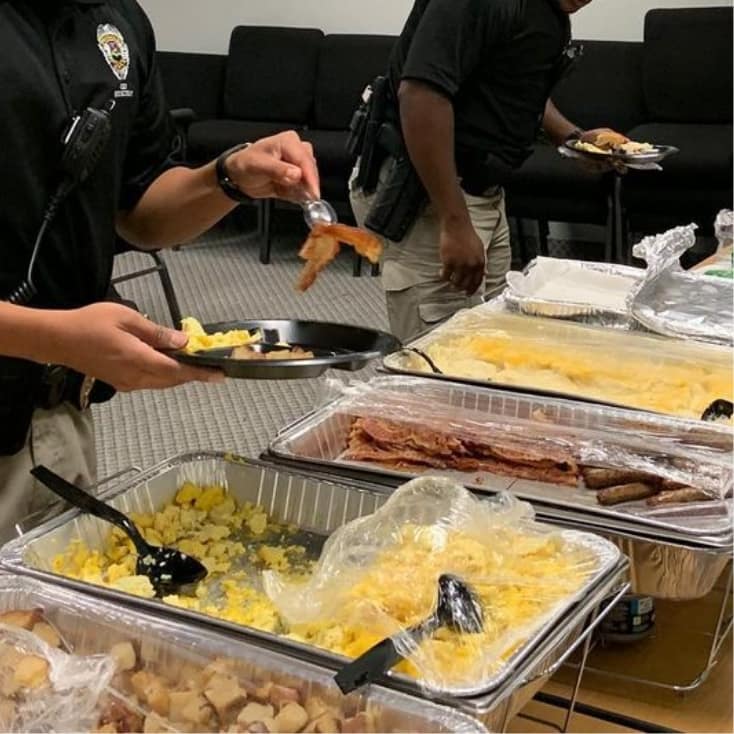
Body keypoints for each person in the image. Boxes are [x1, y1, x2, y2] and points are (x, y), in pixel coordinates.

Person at [0, 0, 320, 542]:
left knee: (40, 622)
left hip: (55, 418)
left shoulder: (118, 21)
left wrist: (228, 178)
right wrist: (52, 335)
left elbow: (141, 208)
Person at [350, 0, 621, 342]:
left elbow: (515, 88)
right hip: (430, 193)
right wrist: (455, 221)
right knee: (438, 351)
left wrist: (574, 140)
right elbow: (421, 95)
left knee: (492, 336)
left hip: (485, 191)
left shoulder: (548, 12)